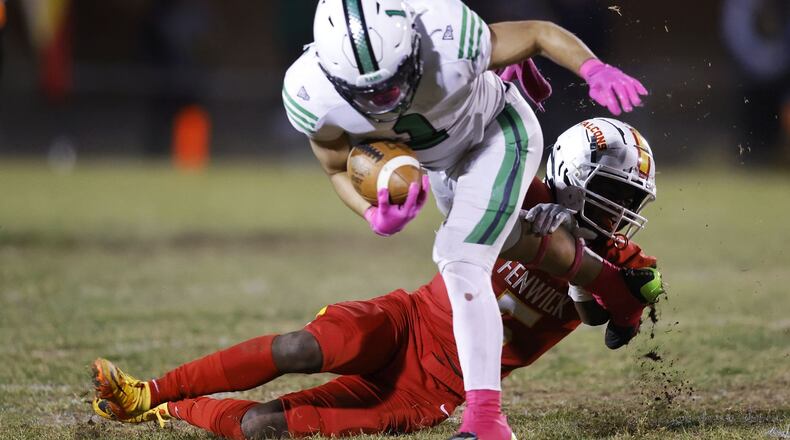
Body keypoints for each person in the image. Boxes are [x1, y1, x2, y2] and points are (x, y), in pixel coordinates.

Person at [91, 118, 664, 439]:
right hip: (408, 319)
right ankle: (148, 392)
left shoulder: (627, 260)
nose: (619, 210)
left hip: (433, 389)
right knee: (299, 347)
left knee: (266, 426)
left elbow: (615, 324)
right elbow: (457, 178)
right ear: (566, 174)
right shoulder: (515, 189)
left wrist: (585, 273)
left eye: (630, 200)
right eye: (610, 192)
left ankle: (172, 410)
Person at [281, 1, 649, 437]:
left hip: (496, 133)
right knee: (503, 237)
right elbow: (335, 167)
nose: (386, 98)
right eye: (368, 92)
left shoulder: (446, 32)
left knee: (461, 257)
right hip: (442, 166)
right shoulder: (311, 93)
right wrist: (370, 212)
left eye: (394, 78)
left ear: (413, 42)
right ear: (328, 72)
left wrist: (592, 68)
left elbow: (537, 32)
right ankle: (607, 282)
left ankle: (486, 421)